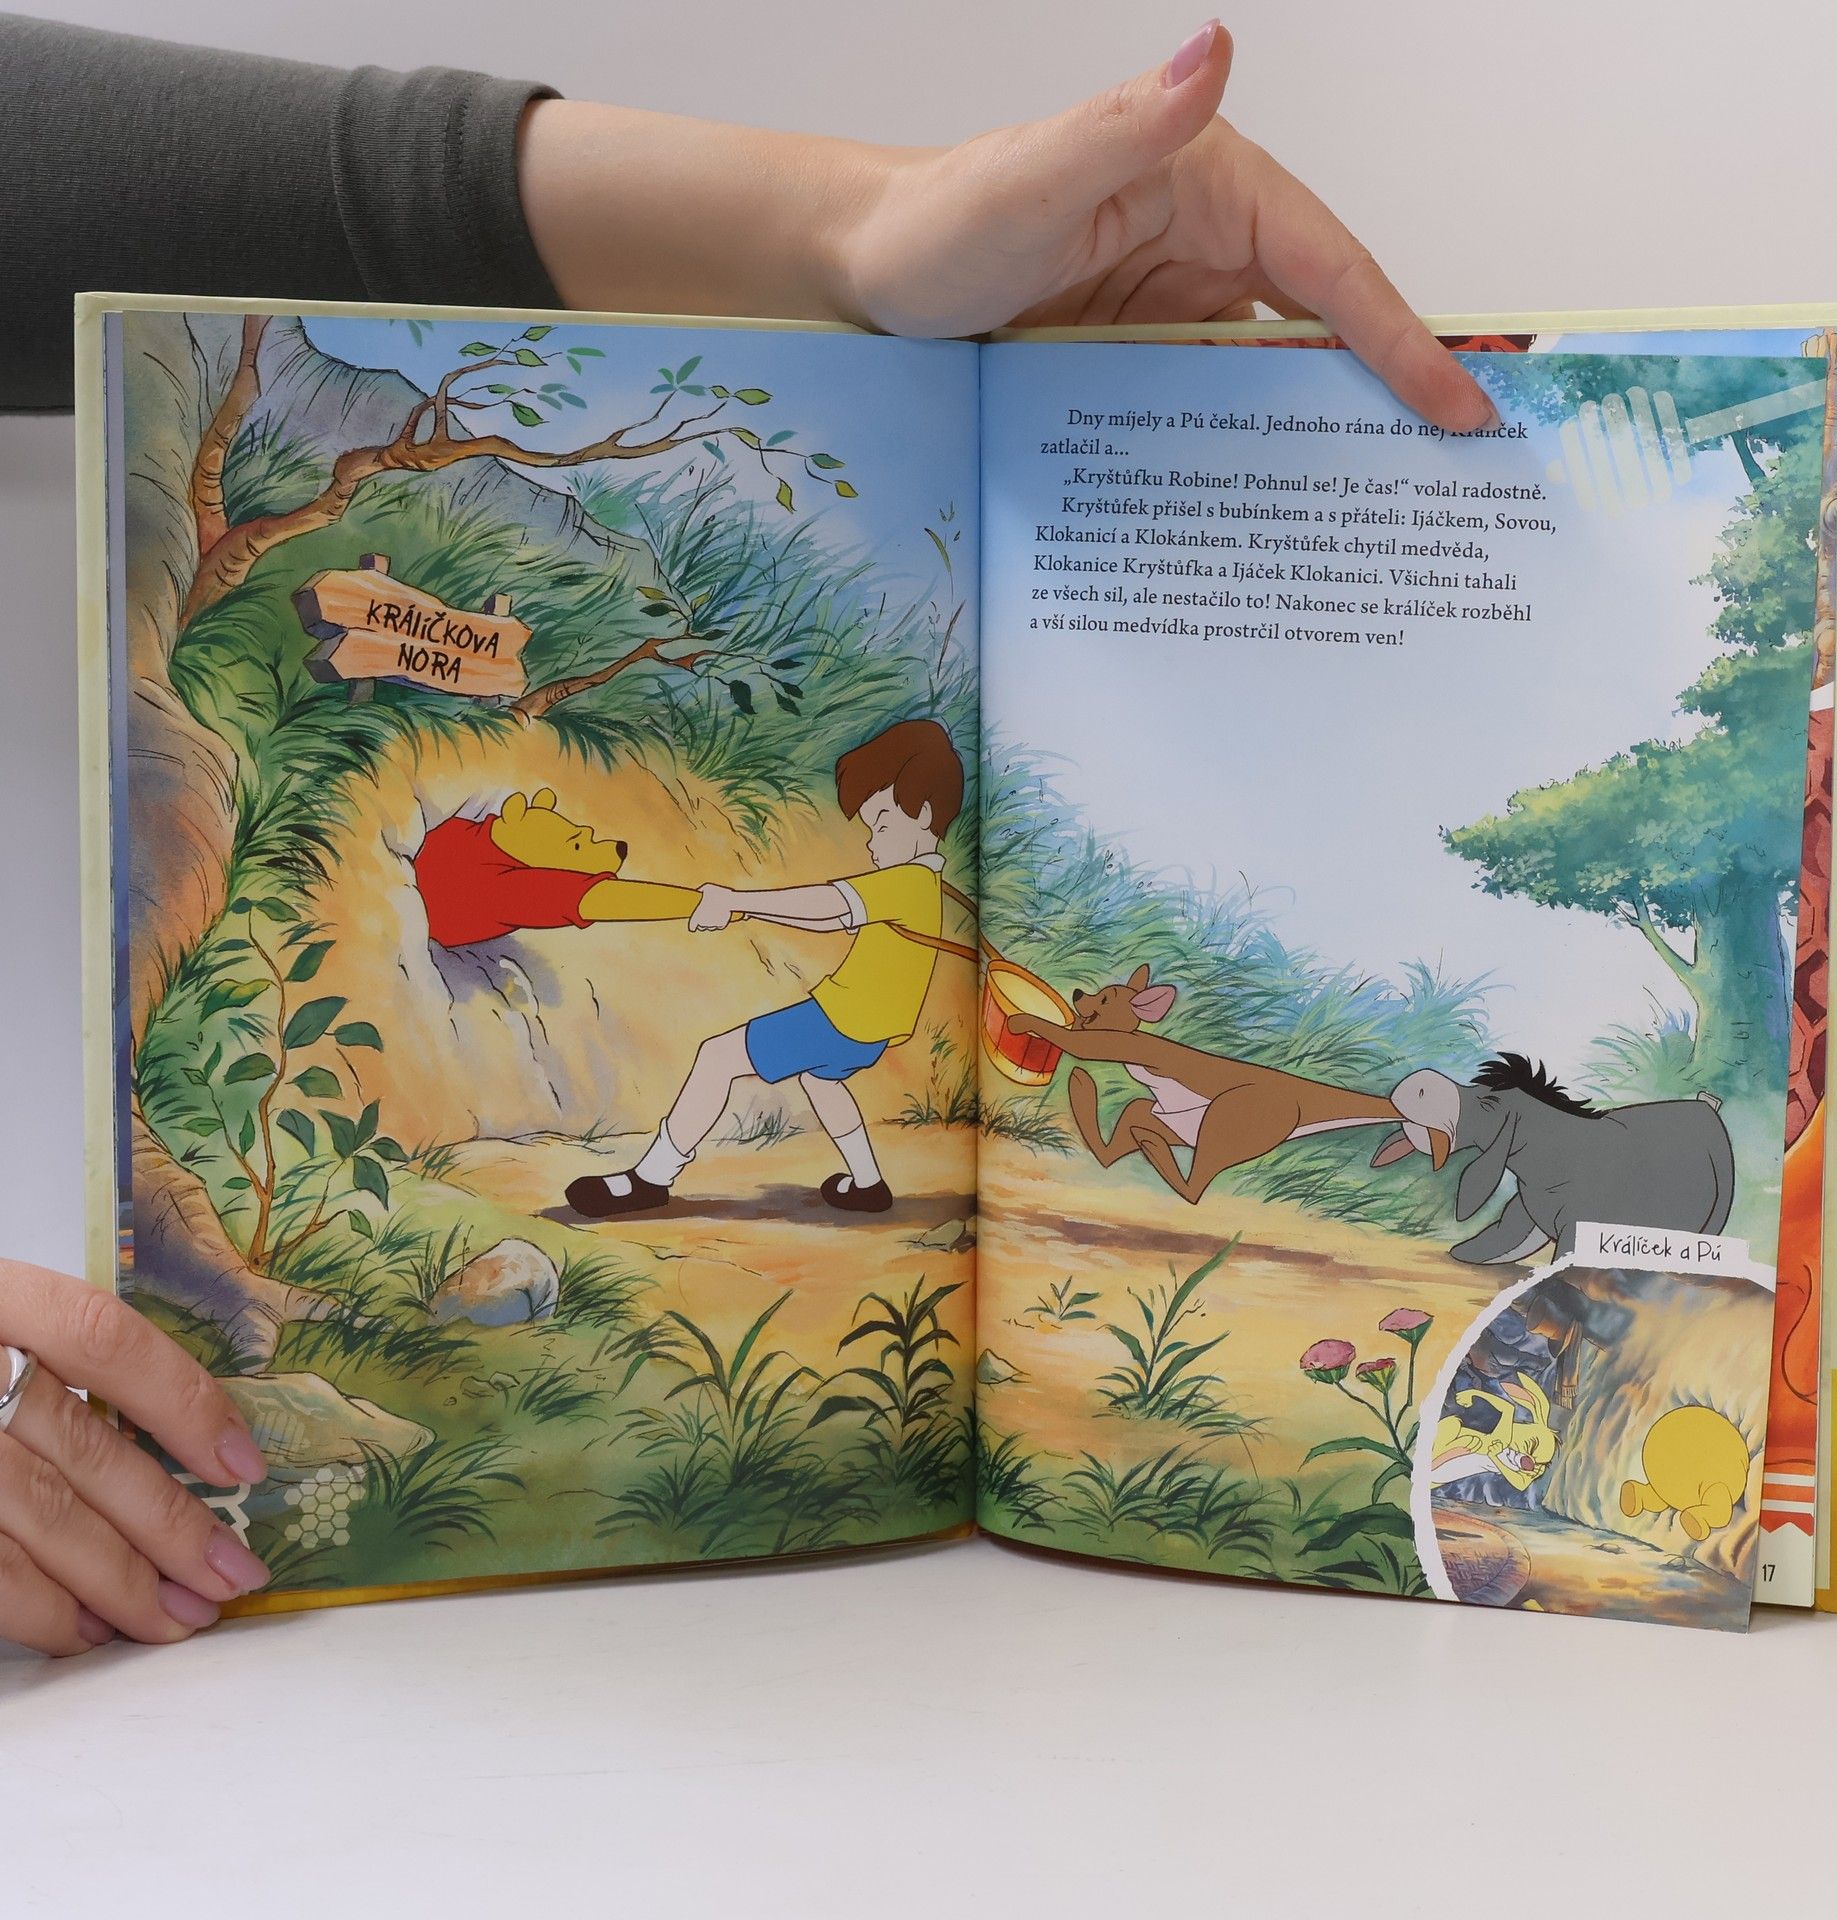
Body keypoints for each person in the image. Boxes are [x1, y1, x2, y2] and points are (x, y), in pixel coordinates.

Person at [0, 12, 1494, 1655]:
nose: (875, 814)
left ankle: (657, 1176)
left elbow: (841, 906)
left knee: (734, 1059)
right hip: (852, 1005)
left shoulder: (898, 873)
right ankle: (842, 1176)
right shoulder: (902, 876)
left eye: (885, 800)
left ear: (912, 806)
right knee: (808, 1076)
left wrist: (864, 228)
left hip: (849, 995)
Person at [567, 720, 965, 1219]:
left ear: (924, 813)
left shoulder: (905, 882)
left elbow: (829, 906)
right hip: (871, 1031)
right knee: (821, 1080)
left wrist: (737, 901)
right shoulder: (925, 885)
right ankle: (867, 1183)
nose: (871, 844)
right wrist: (745, 908)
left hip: (841, 1020)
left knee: (717, 1057)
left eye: (881, 826)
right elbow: (833, 916)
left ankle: (651, 1177)